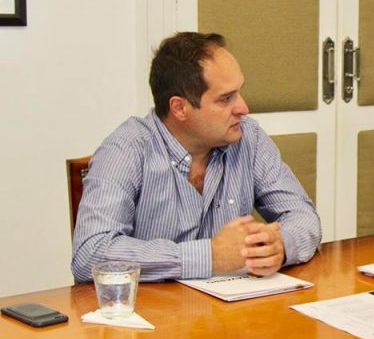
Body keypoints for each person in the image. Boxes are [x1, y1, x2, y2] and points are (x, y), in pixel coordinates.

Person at [71, 32, 321, 282]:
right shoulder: (125, 149)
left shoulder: (249, 137)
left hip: (235, 303)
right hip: (155, 305)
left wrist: (279, 245)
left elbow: (303, 216)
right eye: (226, 99)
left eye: (239, 92)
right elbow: (90, 253)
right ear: (180, 108)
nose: (243, 108)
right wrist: (209, 257)